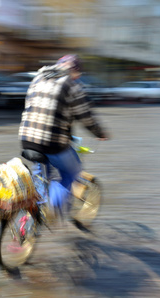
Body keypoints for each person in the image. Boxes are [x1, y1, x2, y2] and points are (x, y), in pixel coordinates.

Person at [18, 54, 108, 215]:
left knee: (40, 177)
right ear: (75, 71)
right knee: (72, 173)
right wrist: (100, 133)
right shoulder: (71, 84)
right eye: (78, 74)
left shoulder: (38, 78)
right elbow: (85, 116)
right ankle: (52, 207)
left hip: (27, 138)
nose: (78, 77)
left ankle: (32, 217)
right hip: (52, 142)